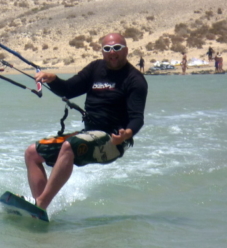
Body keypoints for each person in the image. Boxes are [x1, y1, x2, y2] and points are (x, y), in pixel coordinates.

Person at [24, 33, 148, 212]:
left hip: (113, 141)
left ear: (126, 50)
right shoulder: (95, 68)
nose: (112, 52)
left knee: (69, 146)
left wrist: (127, 134)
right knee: (32, 153)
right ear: (103, 52)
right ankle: (40, 211)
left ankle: (41, 204)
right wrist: (53, 79)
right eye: (107, 49)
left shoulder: (135, 80)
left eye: (117, 48)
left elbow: (137, 117)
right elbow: (68, 89)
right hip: (88, 135)